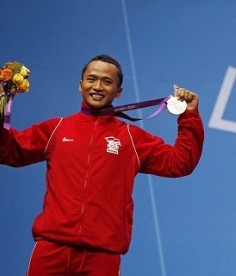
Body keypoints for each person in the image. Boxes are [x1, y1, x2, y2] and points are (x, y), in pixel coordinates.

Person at [0, 54, 204, 275]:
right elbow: (10, 152)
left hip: (102, 257)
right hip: (51, 249)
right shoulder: (56, 129)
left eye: (107, 82)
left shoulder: (131, 138)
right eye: (91, 79)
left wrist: (189, 116)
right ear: (80, 85)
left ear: (119, 91)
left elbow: (180, 163)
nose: (97, 86)